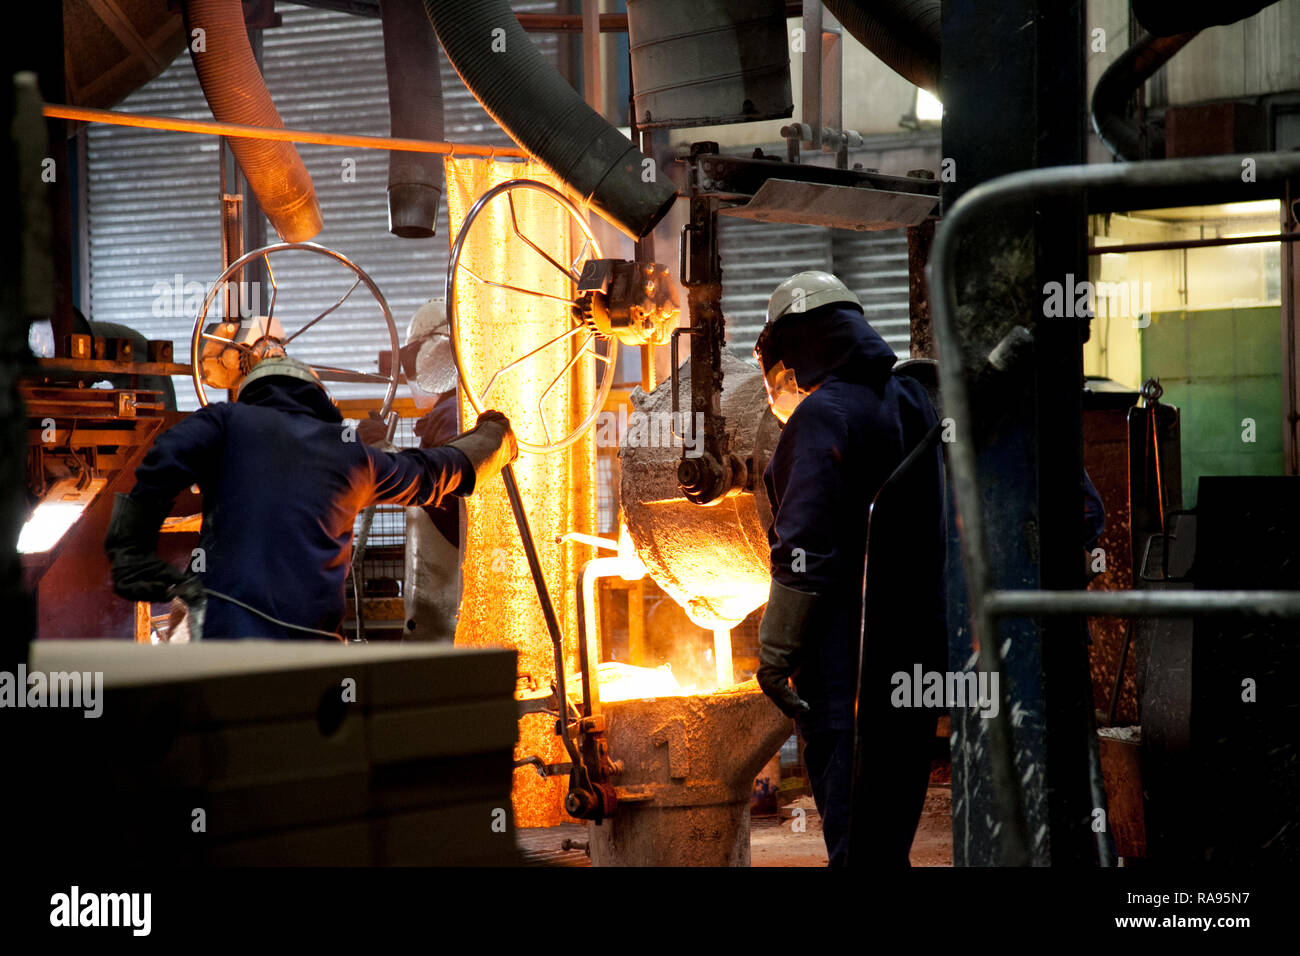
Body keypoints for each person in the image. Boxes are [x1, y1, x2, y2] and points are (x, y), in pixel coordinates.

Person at [104, 353, 516, 640]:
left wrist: (130, 550)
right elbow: (437, 473)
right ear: (321, 400)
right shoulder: (352, 456)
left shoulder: (225, 423)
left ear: (252, 391)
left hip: (228, 642)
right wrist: (495, 436)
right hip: (314, 660)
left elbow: (164, 458)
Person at [753, 271, 947, 867]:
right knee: (888, 837)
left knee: (858, 843)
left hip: (846, 672)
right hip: (914, 661)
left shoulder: (821, 416)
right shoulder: (915, 399)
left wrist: (776, 653)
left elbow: (803, 550)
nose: (781, 383)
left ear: (800, 345)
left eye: (780, 364)